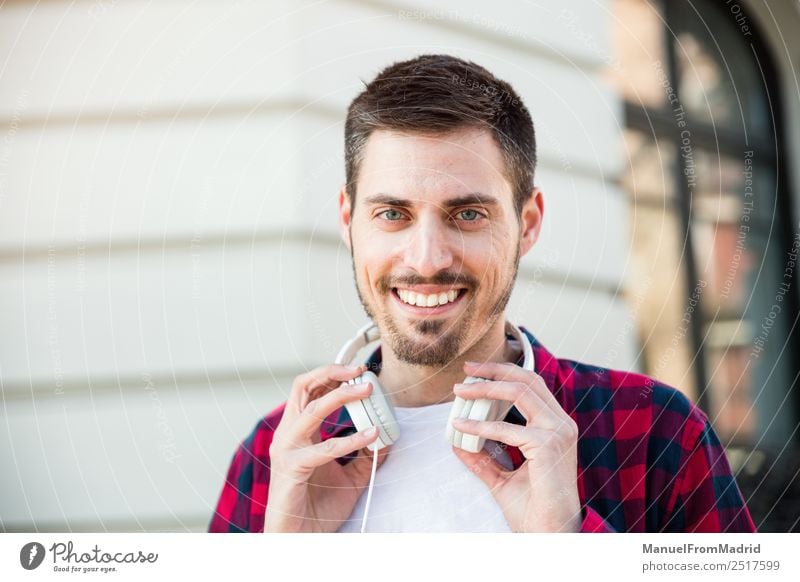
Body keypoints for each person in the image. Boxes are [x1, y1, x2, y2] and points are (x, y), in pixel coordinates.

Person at [208, 54, 756, 533]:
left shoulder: (654, 430)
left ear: (528, 222)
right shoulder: (274, 455)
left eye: (467, 214)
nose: (427, 259)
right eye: (392, 214)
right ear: (350, 221)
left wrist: (567, 545)